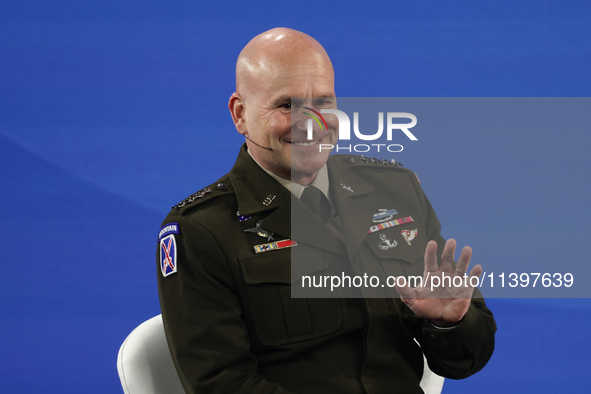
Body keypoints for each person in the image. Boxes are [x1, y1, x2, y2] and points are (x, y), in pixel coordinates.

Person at [157, 28, 496, 394]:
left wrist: (449, 324)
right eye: (287, 105)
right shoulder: (200, 230)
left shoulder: (394, 189)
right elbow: (221, 384)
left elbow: (464, 360)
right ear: (241, 114)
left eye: (323, 102)